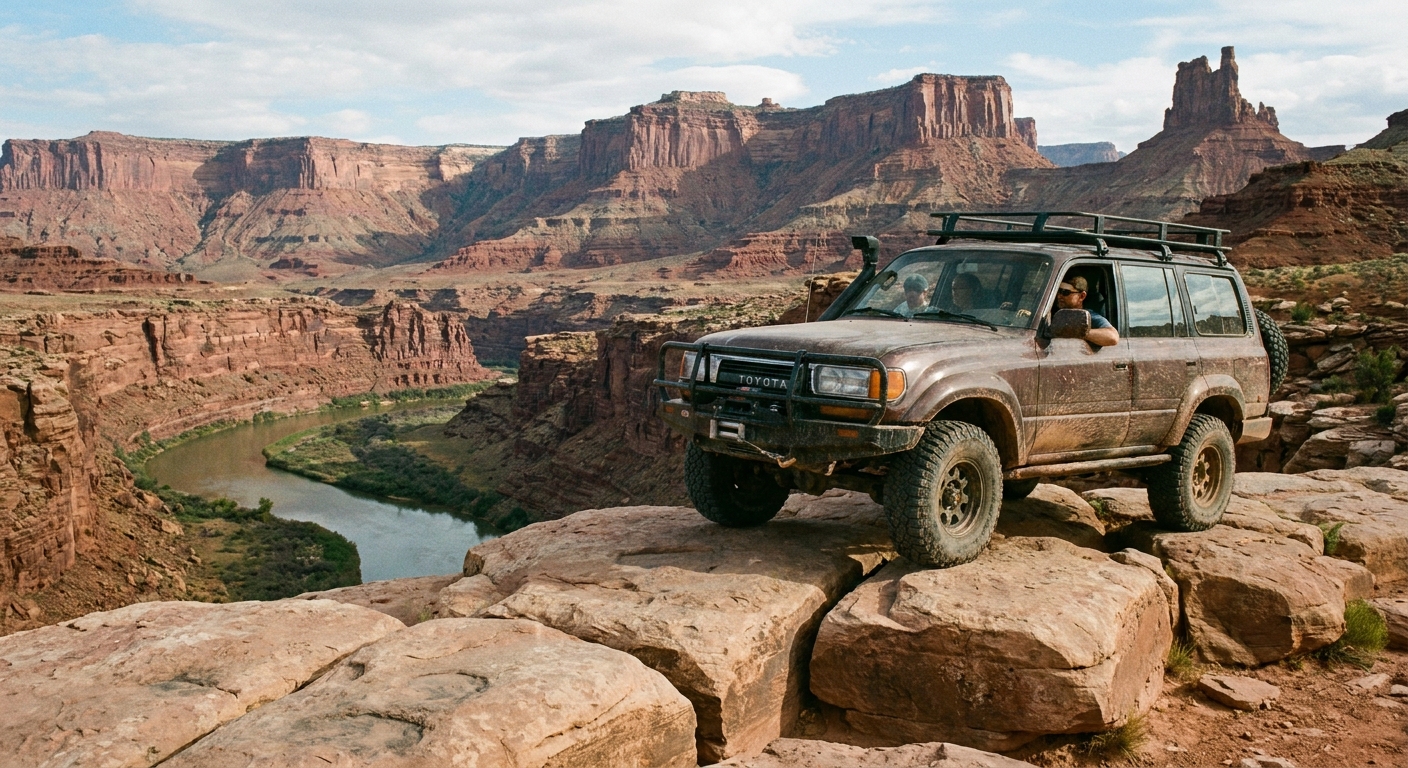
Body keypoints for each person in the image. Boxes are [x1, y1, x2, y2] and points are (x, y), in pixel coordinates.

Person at [1054, 276, 1119, 346]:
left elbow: (1113, 337)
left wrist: (1077, 332)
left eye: (1065, 292)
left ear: (1082, 296)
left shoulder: (1089, 316)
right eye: (1058, 291)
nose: (1059, 296)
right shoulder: (1050, 311)